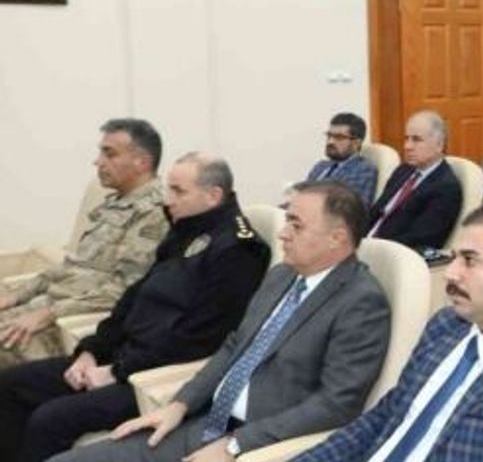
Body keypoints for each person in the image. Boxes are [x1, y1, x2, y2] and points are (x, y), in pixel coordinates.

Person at [48, 181, 391, 462]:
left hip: (258, 444)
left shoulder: (360, 302)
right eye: (287, 221)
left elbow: (336, 405)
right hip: (207, 421)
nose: (283, 234)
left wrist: (236, 445)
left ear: (337, 238)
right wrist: (179, 405)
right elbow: (234, 346)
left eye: (296, 225)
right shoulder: (282, 276)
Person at [0, 153, 271, 462]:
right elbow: (134, 298)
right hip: (123, 357)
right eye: (169, 188)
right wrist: (92, 351)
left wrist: (117, 371)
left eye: (178, 191)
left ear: (213, 195)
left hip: (154, 378)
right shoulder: (187, 230)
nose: (167, 199)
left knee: (50, 419)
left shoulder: (238, 250)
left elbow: (200, 339)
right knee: (11, 384)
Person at [294, 206, 483, 462]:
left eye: (470, 260)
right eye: (453, 258)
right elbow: (385, 417)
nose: (451, 273)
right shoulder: (445, 326)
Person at [0, 119, 166, 369]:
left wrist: (49, 313)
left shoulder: (155, 213)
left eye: (109, 154)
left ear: (141, 162)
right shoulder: (116, 203)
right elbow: (72, 265)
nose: (98, 162)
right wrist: (16, 296)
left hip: (70, 323)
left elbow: (124, 290)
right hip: (47, 306)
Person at [367, 110, 462, 251]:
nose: (407, 146)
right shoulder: (403, 170)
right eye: (407, 138)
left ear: (439, 145)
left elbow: (422, 239)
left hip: (392, 254)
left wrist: (372, 248)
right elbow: (376, 212)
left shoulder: (446, 187)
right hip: (367, 243)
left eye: (417, 140)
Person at [304, 113, 378, 205]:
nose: (330, 141)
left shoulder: (363, 170)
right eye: (329, 135)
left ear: (356, 143)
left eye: (339, 137)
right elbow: (303, 194)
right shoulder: (321, 166)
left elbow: (349, 208)